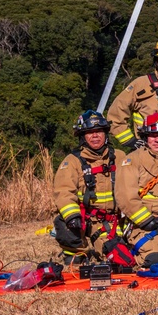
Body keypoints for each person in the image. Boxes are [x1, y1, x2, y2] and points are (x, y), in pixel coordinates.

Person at [53, 110, 130, 265]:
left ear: (106, 133)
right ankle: (75, 251)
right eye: (90, 132)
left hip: (112, 221)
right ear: (82, 136)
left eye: (99, 131)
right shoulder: (72, 162)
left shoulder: (120, 157)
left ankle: (108, 245)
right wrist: (72, 216)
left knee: (117, 256)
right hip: (84, 220)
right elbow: (63, 192)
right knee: (64, 222)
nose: (95, 136)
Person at [116, 113, 158, 266]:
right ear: (145, 137)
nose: (157, 140)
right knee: (155, 259)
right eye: (152, 135)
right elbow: (126, 197)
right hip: (144, 224)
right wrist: (147, 221)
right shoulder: (131, 161)